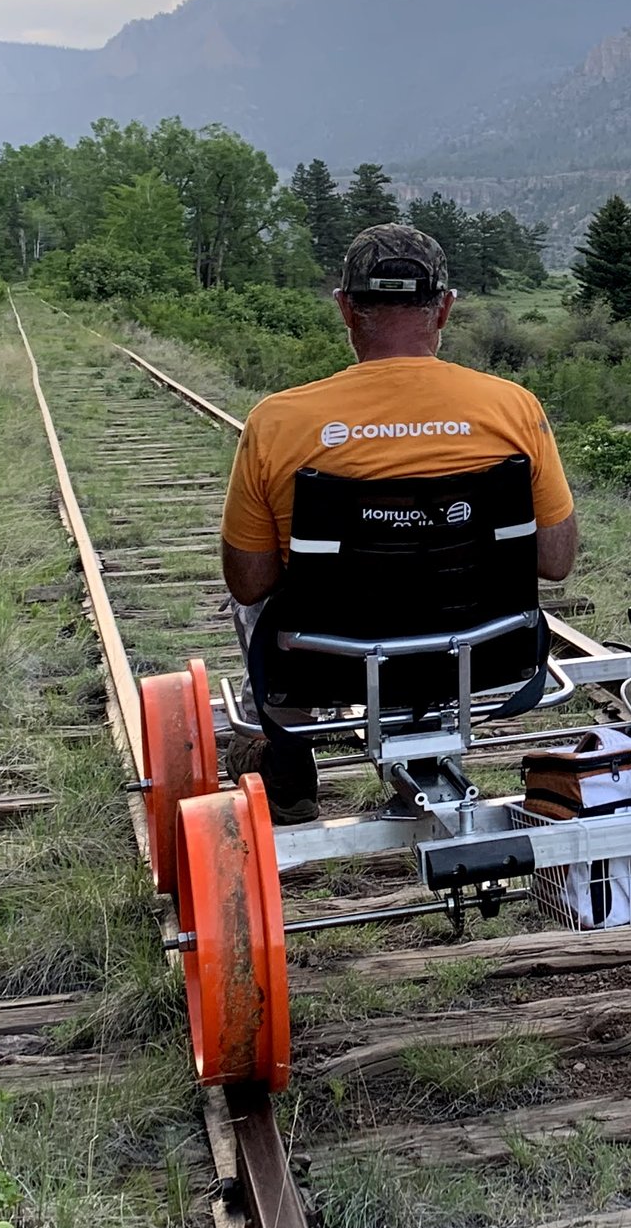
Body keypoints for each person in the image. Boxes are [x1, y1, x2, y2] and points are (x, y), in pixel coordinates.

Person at [219, 223, 577, 818]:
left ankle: (283, 756)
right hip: (482, 651)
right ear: (444, 309)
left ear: (345, 309)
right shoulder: (513, 407)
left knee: (259, 593)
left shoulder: (277, 421)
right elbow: (556, 561)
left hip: (325, 660)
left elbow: (248, 582)